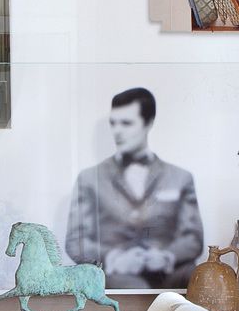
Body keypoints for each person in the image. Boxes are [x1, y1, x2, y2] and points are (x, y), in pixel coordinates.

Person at [63, 87, 204, 290]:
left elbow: (193, 238)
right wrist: (113, 259)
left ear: (149, 123)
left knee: (197, 275)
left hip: (169, 274)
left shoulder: (180, 177)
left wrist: (166, 257)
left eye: (127, 123)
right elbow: (76, 241)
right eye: (114, 123)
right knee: (128, 286)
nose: (117, 131)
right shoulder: (89, 178)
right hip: (114, 274)